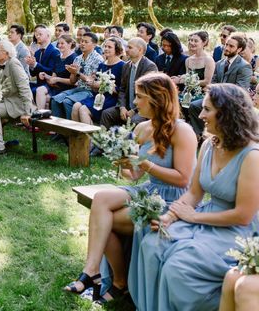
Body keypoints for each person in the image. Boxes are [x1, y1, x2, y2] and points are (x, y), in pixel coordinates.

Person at [64, 73, 196, 304]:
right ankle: (92, 270)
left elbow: (184, 179)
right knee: (102, 199)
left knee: (106, 222)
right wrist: (124, 164)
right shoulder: (142, 128)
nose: (135, 102)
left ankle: (119, 282)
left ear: (158, 99)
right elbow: (135, 175)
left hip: (173, 199)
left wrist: (144, 163)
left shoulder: (182, 131)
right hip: (148, 189)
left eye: (140, 97)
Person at [131, 84, 259, 311]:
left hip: (236, 231)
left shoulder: (252, 156)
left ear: (227, 113)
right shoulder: (210, 144)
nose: (200, 115)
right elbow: (194, 193)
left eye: (207, 110)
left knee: (178, 266)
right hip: (204, 215)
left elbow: (243, 216)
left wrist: (192, 218)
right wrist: (169, 217)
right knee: (152, 243)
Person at [187, 34, 252, 139]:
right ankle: (201, 134)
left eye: (231, 46)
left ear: (239, 49)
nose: (227, 48)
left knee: (214, 109)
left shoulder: (244, 66)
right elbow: (213, 82)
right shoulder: (220, 63)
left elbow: (240, 90)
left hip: (232, 101)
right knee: (194, 105)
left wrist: (219, 94)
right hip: (216, 97)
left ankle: (217, 135)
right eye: (226, 45)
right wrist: (211, 90)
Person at [100, 38, 157, 130]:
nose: (126, 49)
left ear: (140, 50)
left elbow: (148, 94)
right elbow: (122, 89)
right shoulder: (126, 65)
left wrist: (134, 110)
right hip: (126, 106)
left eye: (130, 47)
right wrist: (122, 107)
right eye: (126, 47)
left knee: (134, 120)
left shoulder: (150, 66)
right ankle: (104, 142)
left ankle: (130, 144)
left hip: (143, 108)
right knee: (107, 114)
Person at [50, 32, 104, 120]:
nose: (82, 43)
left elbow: (91, 81)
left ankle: (70, 129)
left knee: (67, 101)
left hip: (90, 91)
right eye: (82, 41)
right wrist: (73, 72)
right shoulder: (77, 58)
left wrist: (78, 73)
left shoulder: (98, 59)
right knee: (55, 99)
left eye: (86, 42)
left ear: (94, 44)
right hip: (78, 88)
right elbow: (72, 81)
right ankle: (58, 129)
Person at [71, 37, 124, 125]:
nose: (106, 49)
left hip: (112, 98)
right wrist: (92, 83)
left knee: (83, 109)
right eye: (105, 46)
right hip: (98, 96)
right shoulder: (102, 65)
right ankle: (77, 137)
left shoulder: (122, 66)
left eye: (109, 47)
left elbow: (121, 89)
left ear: (117, 49)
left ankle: (91, 137)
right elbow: (95, 88)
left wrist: (105, 84)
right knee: (76, 106)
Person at [35, 34, 77, 109]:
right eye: (58, 43)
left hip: (66, 88)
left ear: (70, 44)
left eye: (62, 43)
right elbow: (53, 77)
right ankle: (40, 115)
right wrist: (45, 75)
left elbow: (73, 82)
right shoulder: (58, 57)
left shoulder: (74, 58)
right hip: (55, 86)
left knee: (46, 99)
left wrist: (57, 79)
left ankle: (43, 115)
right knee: (39, 90)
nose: (59, 45)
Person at [25, 25, 60, 94]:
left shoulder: (55, 51)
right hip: (39, 84)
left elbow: (51, 71)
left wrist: (35, 64)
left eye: (40, 34)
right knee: (22, 85)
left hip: (50, 85)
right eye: (36, 35)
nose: (37, 36)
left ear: (48, 35)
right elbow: (33, 74)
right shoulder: (37, 53)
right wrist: (31, 65)